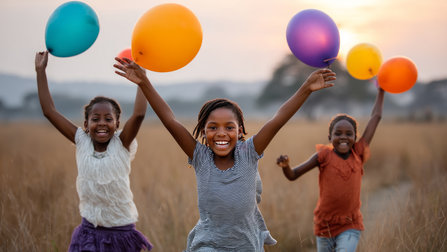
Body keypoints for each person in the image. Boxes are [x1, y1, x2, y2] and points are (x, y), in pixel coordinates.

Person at [114, 57, 336, 251]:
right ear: (203, 131)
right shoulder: (200, 157)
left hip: (246, 246)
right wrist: (145, 83)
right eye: (213, 127)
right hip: (208, 245)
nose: (221, 133)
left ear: (240, 131)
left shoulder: (249, 153)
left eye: (229, 127)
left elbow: (278, 118)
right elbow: (170, 120)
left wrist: (306, 87)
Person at [35, 51, 152, 252]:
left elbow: (139, 114)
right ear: (86, 124)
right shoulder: (81, 140)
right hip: (89, 231)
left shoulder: (122, 143)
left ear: (117, 123)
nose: (102, 123)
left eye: (108, 119)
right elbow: (49, 111)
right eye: (95, 118)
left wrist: (142, 79)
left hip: (120, 232)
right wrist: (40, 71)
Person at [276, 88, 385, 252]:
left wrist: (381, 91)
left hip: (350, 223)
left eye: (349, 134)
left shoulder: (358, 153)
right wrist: (286, 166)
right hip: (324, 225)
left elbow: (375, 117)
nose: (343, 137)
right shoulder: (323, 156)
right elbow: (293, 175)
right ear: (329, 137)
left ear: (355, 138)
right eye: (338, 133)